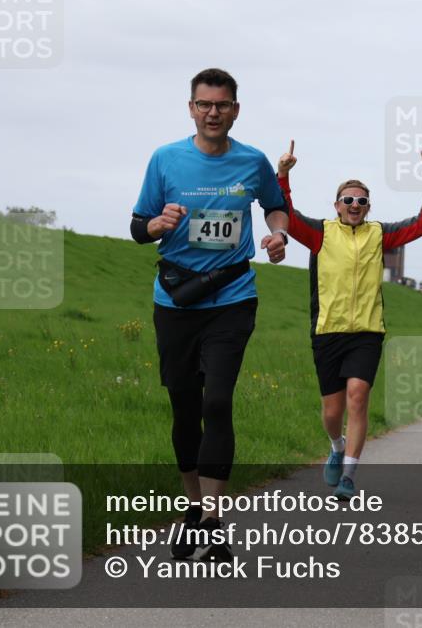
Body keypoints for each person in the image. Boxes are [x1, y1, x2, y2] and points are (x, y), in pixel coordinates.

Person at [130, 68, 289, 562]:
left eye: (221, 105)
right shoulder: (165, 159)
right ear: (191, 108)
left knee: (217, 401)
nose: (213, 112)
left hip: (233, 295)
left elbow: (275, 205)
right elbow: (138, 226)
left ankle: (215, 520)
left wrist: (277, 234)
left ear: (235, 110)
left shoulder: (252, 160)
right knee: (184, 405)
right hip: (176, 300)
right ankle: (192, 510)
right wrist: (157, 223)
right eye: (204, 104)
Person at [277, 144, 422, 500]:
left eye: (362, 202)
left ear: (369, 208)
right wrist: (284, 176)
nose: (354, 206)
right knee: (332, 411)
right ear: (336, 206)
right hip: (327, 332)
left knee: (358, 396)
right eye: (348, 200)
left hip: (367, 332)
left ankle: (349, 475)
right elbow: (285, 214)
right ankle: (337, 445)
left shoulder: (379, 234)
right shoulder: (320, 233)